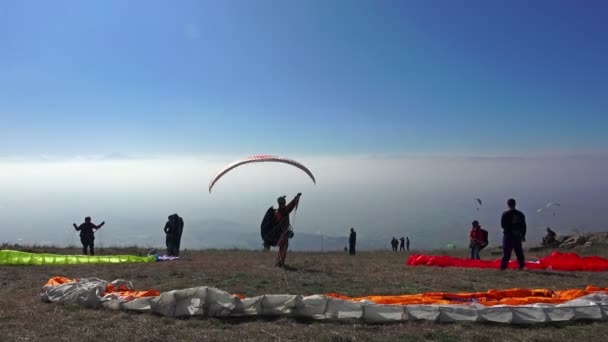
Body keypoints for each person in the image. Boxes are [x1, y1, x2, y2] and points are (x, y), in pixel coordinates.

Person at [275, 193, 301, 267]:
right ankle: (280, 263)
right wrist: (296, 198)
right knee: (284, 247)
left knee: (282, 248)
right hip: (283, 234)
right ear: (281, 204)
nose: (284, 204)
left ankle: (279, 263)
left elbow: (288, 206)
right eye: (283, 203)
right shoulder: (283, 212)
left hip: (280, 234)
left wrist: (295, 198)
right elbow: (290, 206)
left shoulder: (277, 212)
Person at [500, 198, 527, 270]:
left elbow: (503, 225)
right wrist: (523, 235)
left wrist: (508, 229)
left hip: (508, 235)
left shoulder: (505, 214)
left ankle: (503, 267)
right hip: (517, 235)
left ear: (508, 205)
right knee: (519, 251)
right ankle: (521, 266)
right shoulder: (520, 214)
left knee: (506, 253)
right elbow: (524, 226)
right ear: (515, 204)